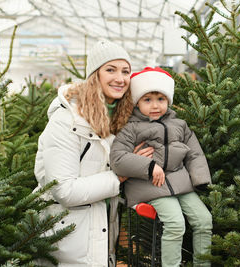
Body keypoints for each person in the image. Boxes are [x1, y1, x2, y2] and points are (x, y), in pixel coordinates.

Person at [33, 39, 143, 266]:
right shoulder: (67, 121)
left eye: (126, 71)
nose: (120, 78)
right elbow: (63, 190)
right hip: (68, 238)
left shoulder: (120, 119)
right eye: (110, 70)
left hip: (101, 232)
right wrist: (120, 176)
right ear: (95, 75)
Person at [110, 67, 213, 267]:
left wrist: (200, 179)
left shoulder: (180, 125)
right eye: (147, 100)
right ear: (137, 102)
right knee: (175, 224)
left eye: (161, 99)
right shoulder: (130, 128)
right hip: (150, 186)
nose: (155, 105)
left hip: (180, 183)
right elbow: (118, 158)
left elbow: (195, 153)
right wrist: (149, 166)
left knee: (204, 220)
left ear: (168, 101)